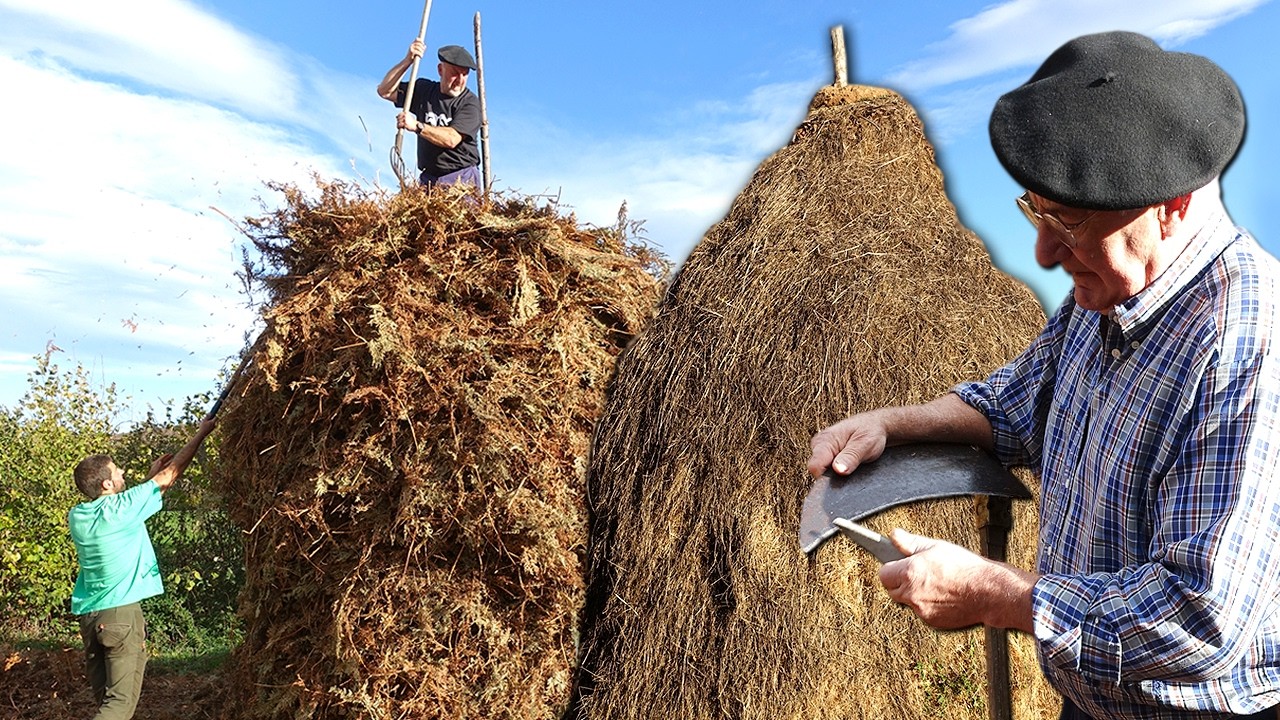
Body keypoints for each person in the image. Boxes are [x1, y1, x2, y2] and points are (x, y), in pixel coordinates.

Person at [806, 31, 1280, 720]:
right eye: (1035, 210)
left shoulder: (1247, 343)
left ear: (1172, 205)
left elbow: (1199, 620)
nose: (1044, 252)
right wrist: (893, 425)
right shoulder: (1104, 296)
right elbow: (1015, 405)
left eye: (1070, 220)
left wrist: (994, 594)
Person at [69, 416, 217, 720]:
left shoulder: (79, 515)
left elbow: (129, 504)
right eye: (116, 471)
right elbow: (171, 473)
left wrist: (151, 478)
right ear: (107, 483)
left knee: (107, 701)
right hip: (119, 616)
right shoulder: (123, 509)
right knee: (119, 705)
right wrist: (201, 434)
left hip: (90, 617)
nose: (122, 472)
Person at [377, 39, 482, 189]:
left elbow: (451, 139)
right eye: (454, 73)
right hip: (428, 179)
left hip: (461, 178)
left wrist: (417, 126)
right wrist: (407, 61)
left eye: (464, 75)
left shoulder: (470, 103)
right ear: (440, 70)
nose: (459, 80)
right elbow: (385, 91)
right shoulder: (424, 90)